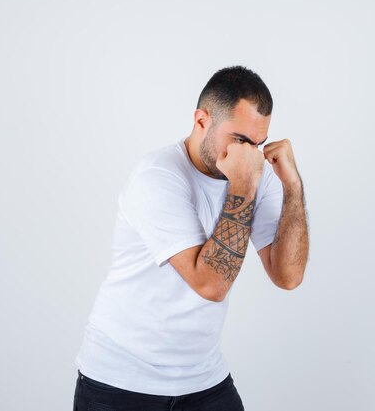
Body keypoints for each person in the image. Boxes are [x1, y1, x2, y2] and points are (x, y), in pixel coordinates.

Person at [72, 65, 309, 410]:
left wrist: (292, 185)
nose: (250, 154)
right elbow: (211, 285)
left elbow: (288, 276)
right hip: (120, 380)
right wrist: (243, 186)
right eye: (240, 140)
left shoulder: (254, 171)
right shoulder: (157, 177)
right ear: (202, 121)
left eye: (258, 143)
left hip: (203, 378)